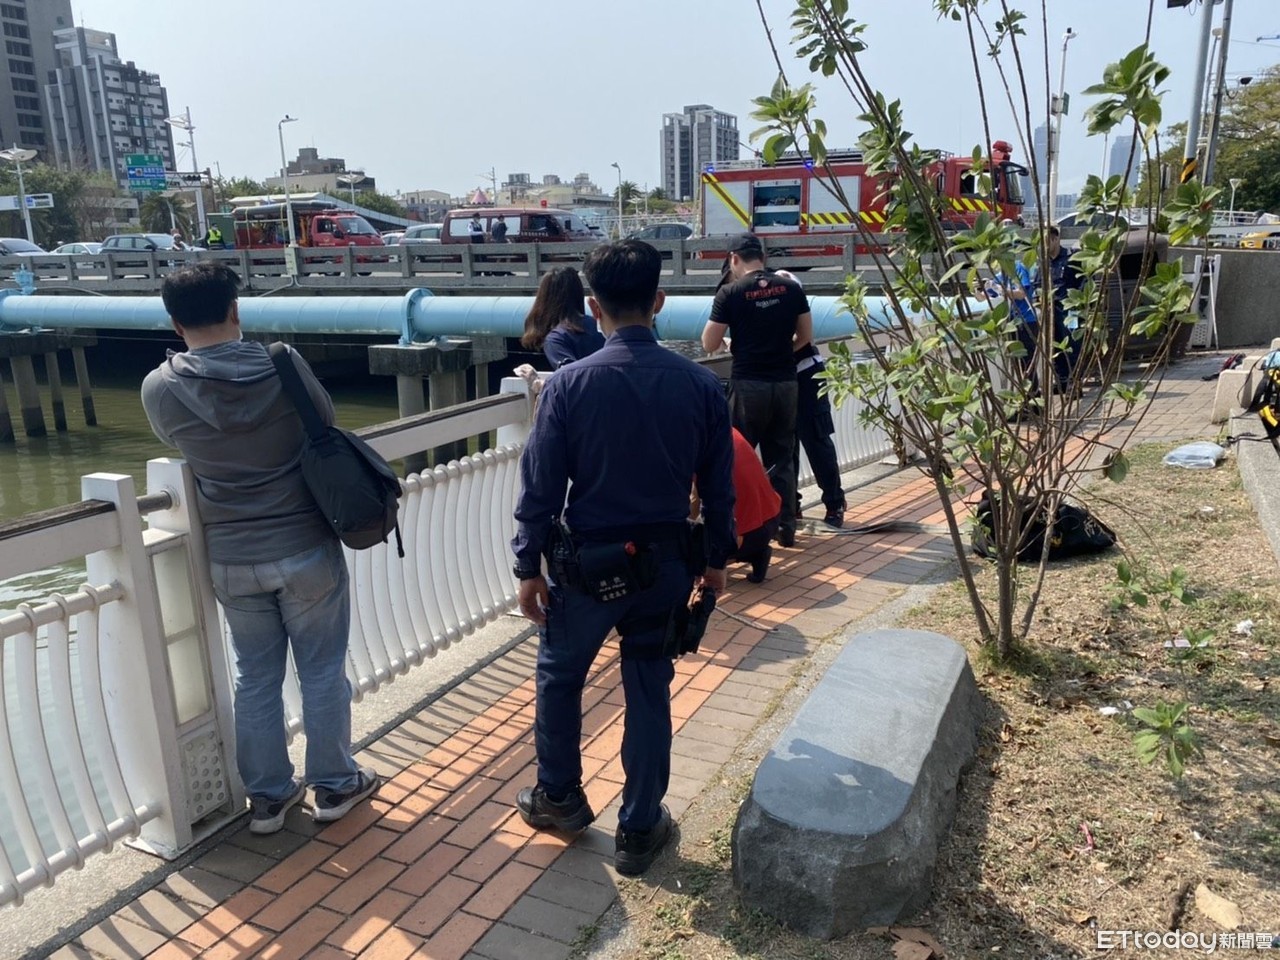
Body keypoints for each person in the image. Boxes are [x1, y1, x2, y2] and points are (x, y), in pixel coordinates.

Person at [511, 239, 734, 877]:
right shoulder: (700, 384)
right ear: (658, 302)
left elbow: (540, 487)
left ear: (593, 307)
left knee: (560, 677)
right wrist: (715, 560)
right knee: (648, 685)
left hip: (586, 566)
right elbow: (719, 489)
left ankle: (559, 797)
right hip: (665, 564)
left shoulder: (567, 386)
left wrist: (528, 566)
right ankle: (638, 828)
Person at [140, 262, 380, 835]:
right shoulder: (282, 362)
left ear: (175, 324)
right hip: (305, 546)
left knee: (255, 677)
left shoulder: (160, 387)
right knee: (321, 671)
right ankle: (334, 785)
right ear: (235, 309)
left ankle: (269, 798)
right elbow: (324, 421)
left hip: (231, 556)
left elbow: (175, 441)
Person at [701, 233, 812, 548]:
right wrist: (781, 352)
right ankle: (786, 527)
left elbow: (708, 343)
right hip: (786, 383)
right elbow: (805, 336)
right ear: (762, 257)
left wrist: (732, 344)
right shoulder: (791, 288)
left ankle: (744, 528)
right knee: (783, 457)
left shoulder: (730, 293)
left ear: (734, 258)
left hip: (748, 384)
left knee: (738, 456)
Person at [692, 427, 781, 583]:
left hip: (743, 535)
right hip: (772, 518)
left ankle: (738, 555)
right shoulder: (728, 431)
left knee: (693, 538)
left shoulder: (697, 445)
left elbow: (693, 500)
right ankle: (756, 553)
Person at [520, 267, 605, 369]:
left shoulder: (555, 339)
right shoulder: (598, 326)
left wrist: (535, 378)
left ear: (543, 296)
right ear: (578, 292)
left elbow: (570, 377)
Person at [1042, 224, 1084, 389]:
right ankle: (1061, 381)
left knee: (1073, 344)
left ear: (1056, 239)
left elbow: (1083, 280)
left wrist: (1078, 301)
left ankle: (1075, 382)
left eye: (1047, 241)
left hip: (1070, 309)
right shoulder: (1044, 263)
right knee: (1055, 344)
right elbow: (1038, 283)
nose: (1045, 246)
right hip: (1051, 309)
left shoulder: (1071, 258)